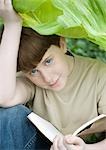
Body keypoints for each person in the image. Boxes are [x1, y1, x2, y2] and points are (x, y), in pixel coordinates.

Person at [0, 0, 106, 150]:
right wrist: (12, 25)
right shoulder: (31, 83)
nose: (47, 78)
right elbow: (4, 97)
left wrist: (86, 149)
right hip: (40, 145)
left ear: (62, 44)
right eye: (34, 71)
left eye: (48, 61)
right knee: (9, 116)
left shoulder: (99, 74)